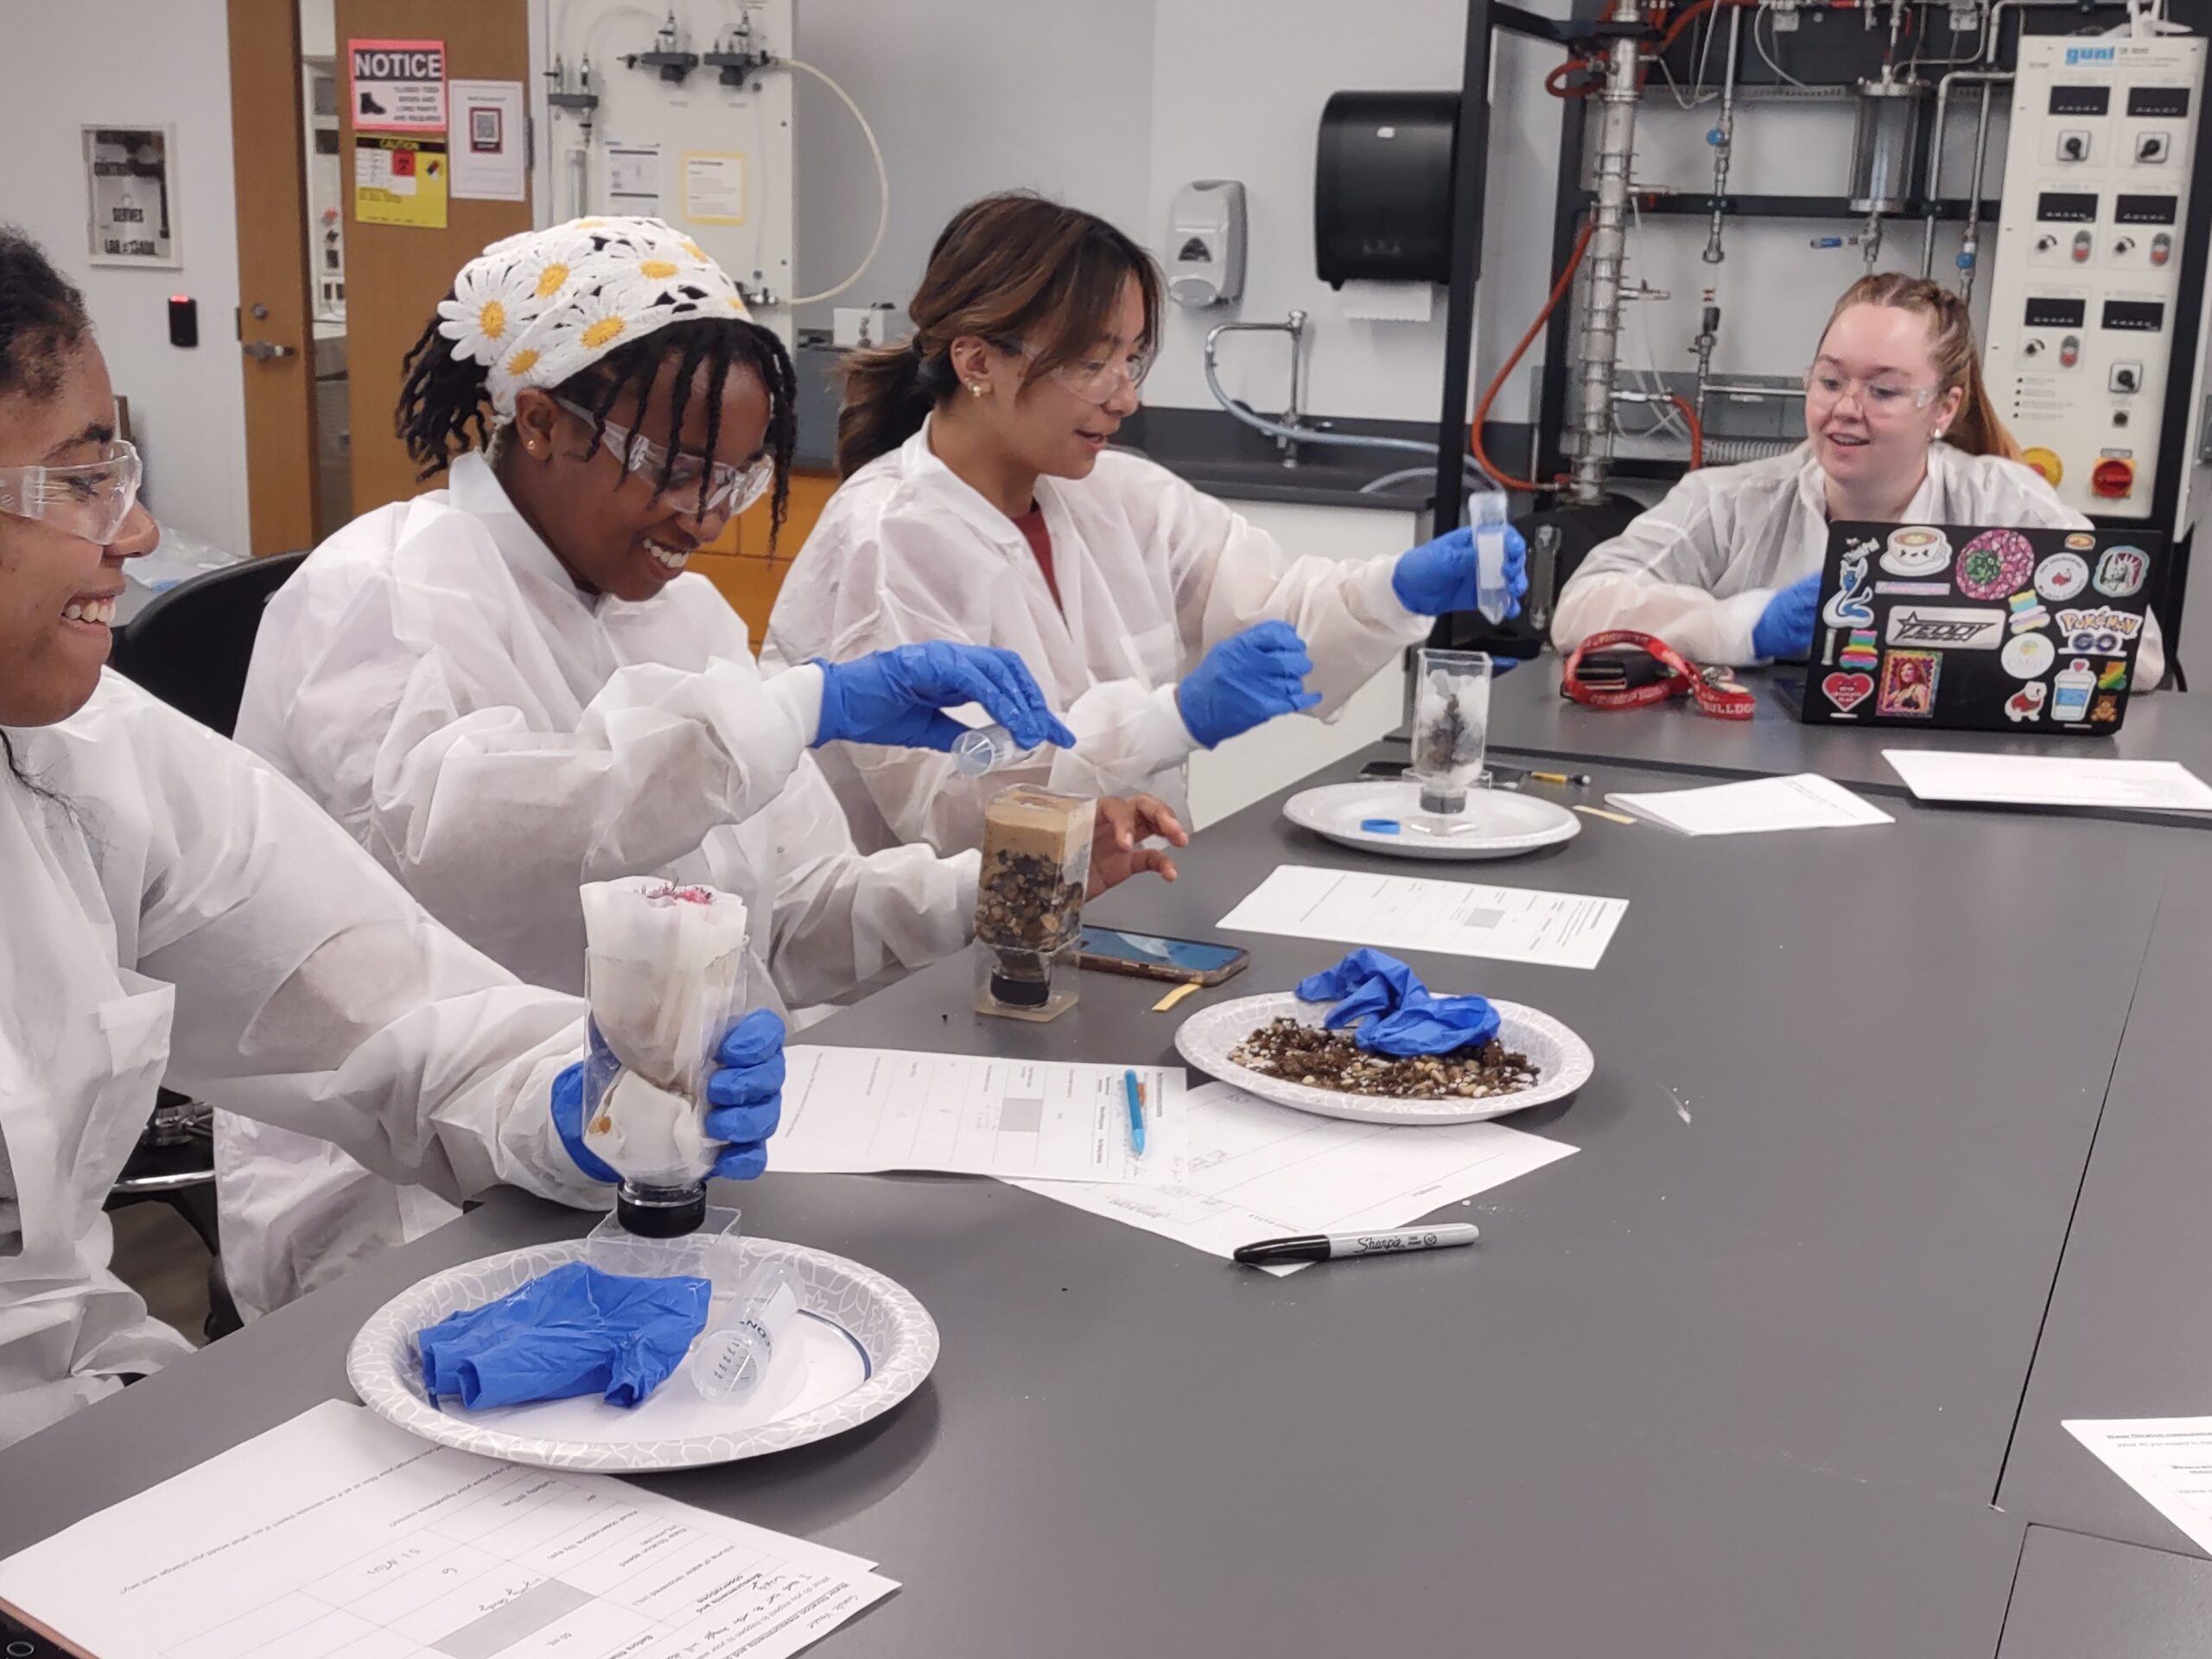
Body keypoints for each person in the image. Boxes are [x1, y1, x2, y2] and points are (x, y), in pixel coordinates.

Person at [229, 218, 1184, 1319]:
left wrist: (1008, 889)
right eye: (675, 470)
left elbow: (795, 912)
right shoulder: (386, 593)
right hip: (420, 1189)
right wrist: (800, 706)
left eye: (735, 478)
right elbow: (468, 839)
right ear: (538, 419)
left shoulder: (677, 615)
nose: (701, 515)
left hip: (673, 1167)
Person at [0, 226, 784, 1446]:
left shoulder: (90, 756)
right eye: (84, 479)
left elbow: (383, 1005)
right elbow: (473, 826)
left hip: (82, 1425)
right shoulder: (394, 583)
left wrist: (568, 1099)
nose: (139, 534)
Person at [761, 193, 1529, 857]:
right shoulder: (888, 535)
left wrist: (1401, 588)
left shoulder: (1117, 496)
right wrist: (1172, 720)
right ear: (977, 362)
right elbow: (953, 802)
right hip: (933, 963)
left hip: (1115, 904)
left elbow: (1275, 614)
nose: (1125, 397)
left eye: (1133, 359)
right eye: (1092, 364)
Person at [1554, 272, 2166, 685]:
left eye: (1884, 390)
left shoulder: (2003, 501)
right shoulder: (1732, 501)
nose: (1847, 408)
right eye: (1831, 380)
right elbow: (1579, 608)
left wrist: (1944, 630)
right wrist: (1744, 625)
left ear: (1944, 409)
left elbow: (2137, 654)